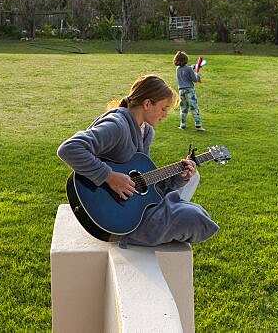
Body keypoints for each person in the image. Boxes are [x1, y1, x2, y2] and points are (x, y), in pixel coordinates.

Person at [57, 74, 219, 247]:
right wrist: (110, 177)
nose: (165, 115)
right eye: (164, 108)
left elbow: (144, 179)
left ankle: (144, 224)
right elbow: (69, 148)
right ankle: (128, 234)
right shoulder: (117, 125)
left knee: (196, 211)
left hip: (134, 206)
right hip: (113, 213)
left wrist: (180, 177)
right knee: (193, 218)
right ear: (147, 104)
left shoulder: (146, 131)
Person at [174, 51, 205, 131]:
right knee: (194, 108)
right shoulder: (189, 69)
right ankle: (198, 125)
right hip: (189, 91)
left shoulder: (178, 69)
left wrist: (194, 67)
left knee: (183, 108)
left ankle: (182, 125)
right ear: (186, 60)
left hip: (181, 91)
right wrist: (198, 75)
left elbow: (187, 69)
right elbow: (195, 79)